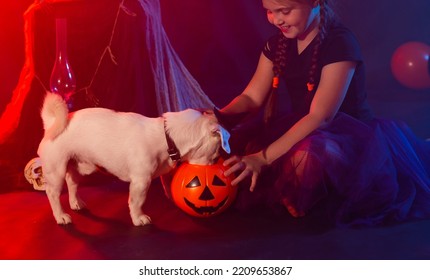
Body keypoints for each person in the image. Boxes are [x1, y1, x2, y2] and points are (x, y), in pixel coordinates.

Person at [215, 0, 430, 226]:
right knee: (241, 147)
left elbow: (321, 117)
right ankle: (293, 190)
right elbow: (252, 97)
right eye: (269, 12)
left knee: (307, 156)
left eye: (284, 12)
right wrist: (219, 116)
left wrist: (263, 158)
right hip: (303, 126)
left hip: (349, 137)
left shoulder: (339, 43)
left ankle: (306, 192)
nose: (276, 20)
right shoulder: (277, 45)